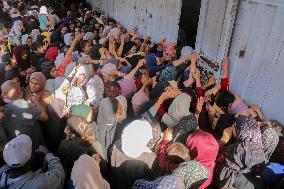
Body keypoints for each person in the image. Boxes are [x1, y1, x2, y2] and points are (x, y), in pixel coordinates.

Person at [0, 134, 65, 189]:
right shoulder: (40, 184)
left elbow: (24, 179)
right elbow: (59, 175)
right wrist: (48, 154)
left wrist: (42, 170)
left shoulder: (3, 172)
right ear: (32, 158)